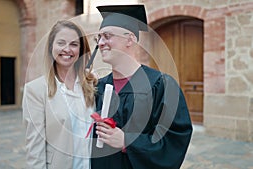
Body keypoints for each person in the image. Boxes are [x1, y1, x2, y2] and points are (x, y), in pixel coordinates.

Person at [90, 5, 193, 169]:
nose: (101, 43)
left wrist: (127, 142)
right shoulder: (99, 87)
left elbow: (174, 139)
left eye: (107, 36)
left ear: (130, 39)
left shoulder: (161, 85)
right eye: (99, 38)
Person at [22, 20, 97, 169]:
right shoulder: (35, 90)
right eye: (61, 43)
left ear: (81, 50)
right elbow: (35, 149)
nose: (67, 49)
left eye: (74, 44)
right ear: (51, 47)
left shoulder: (92, 84)